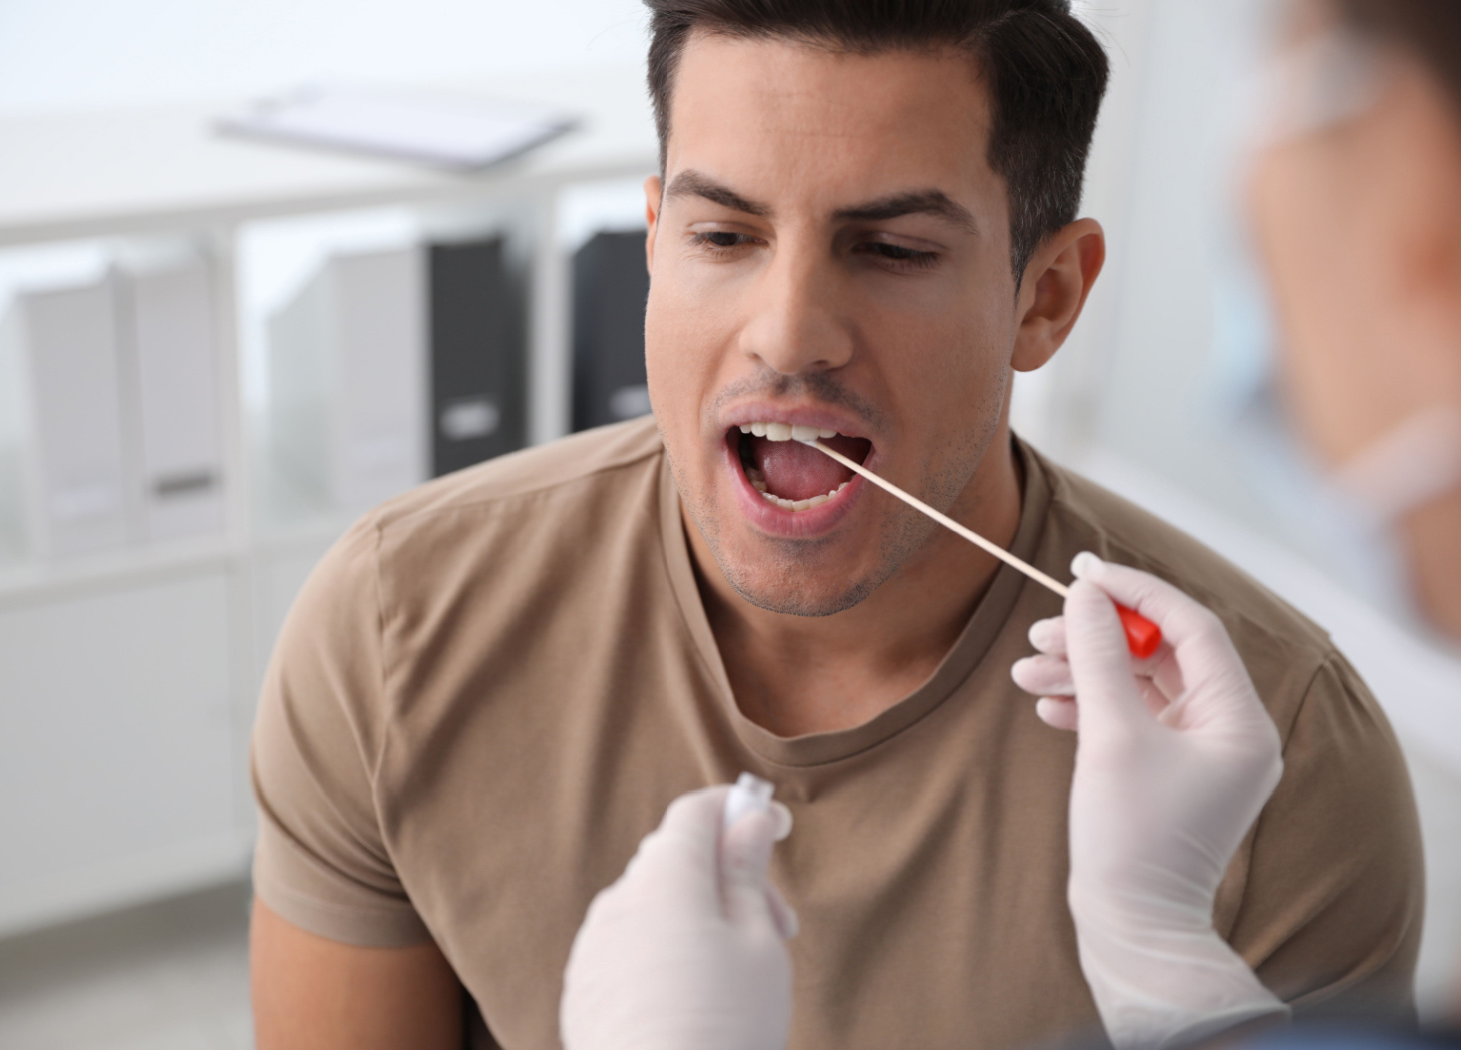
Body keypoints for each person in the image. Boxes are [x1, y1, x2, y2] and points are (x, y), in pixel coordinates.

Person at [247, 2, 1425, 1048]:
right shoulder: (395, 625)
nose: (788, 331)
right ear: (653, 244)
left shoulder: (1277, 760)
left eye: (894, 249)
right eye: (722, 236)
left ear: (1046, 296)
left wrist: (1178, 990)